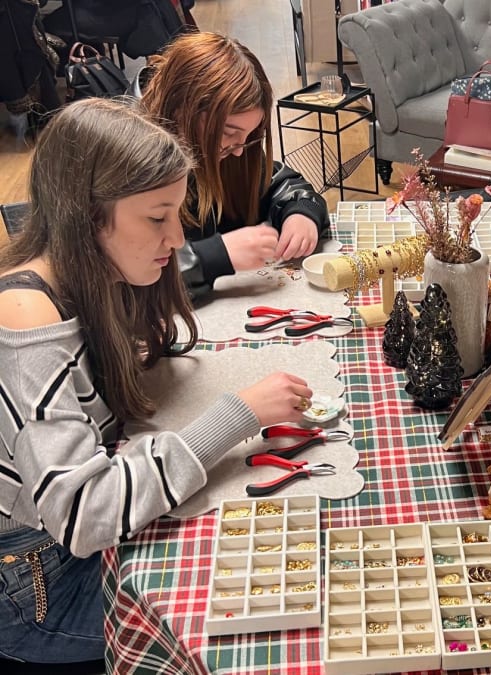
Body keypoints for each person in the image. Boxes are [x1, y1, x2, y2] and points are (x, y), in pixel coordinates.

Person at [0, 98, 314, 664]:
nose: (175, 240)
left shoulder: (86, 276)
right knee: (256, 623)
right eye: (156, 218)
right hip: (39, 584)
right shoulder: (27, 317)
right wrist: (234, 417)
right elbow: (85, 514)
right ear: (89, 213)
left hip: (52, 555)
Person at [139, 31, 330, 300]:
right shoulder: (128, 165)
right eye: (229, 132)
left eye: (249, 136)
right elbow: (123, 281)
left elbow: (280, 182)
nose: (239, 150)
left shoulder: (223, 152)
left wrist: (301, 212)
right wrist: (215, 256)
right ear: (183, 109)